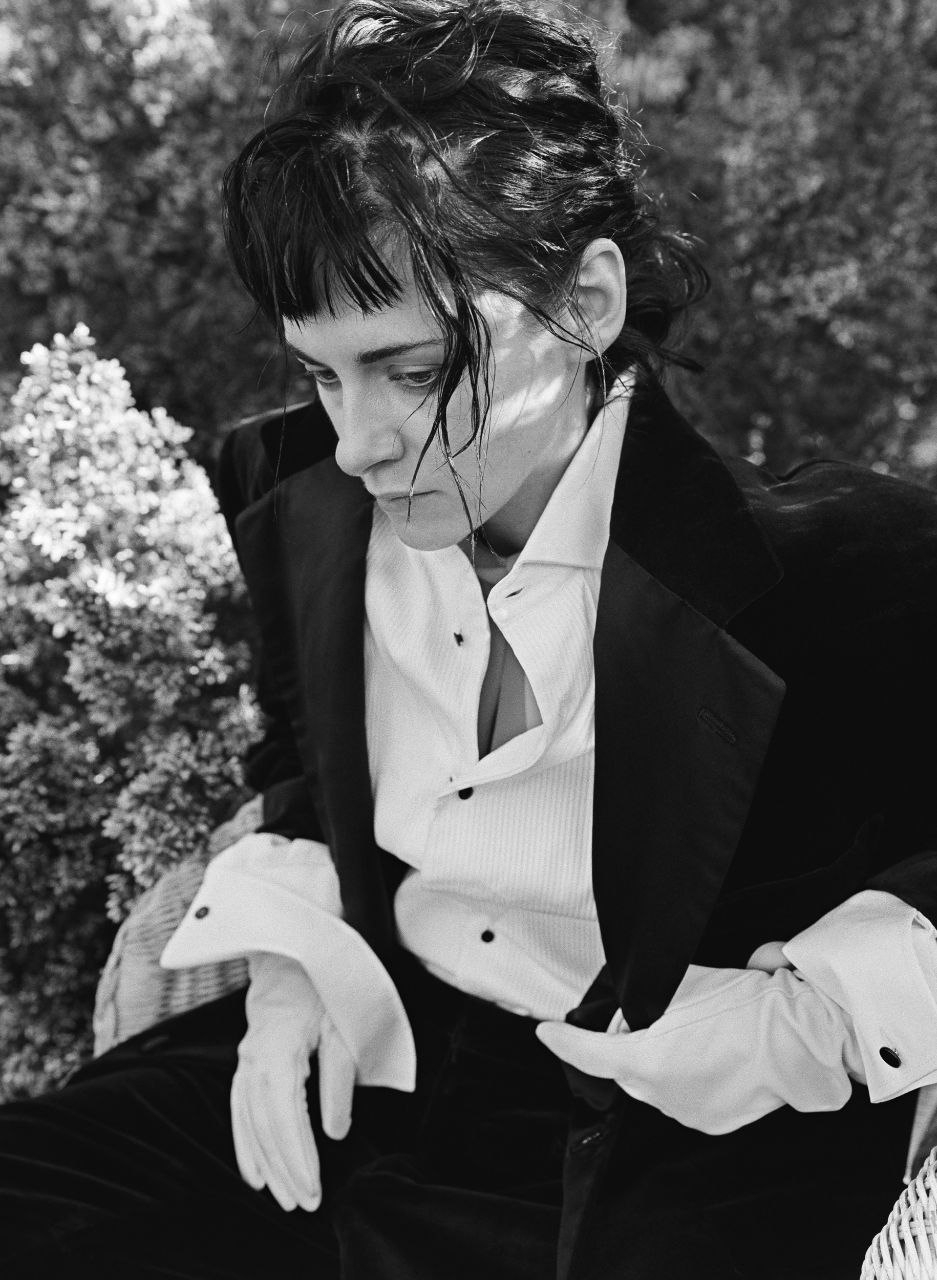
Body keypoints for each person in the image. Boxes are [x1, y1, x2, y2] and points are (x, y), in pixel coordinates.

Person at [2, 0, 937, 1276]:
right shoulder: (307, 504)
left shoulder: (842, 563)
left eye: (411, 368)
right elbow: (305, 763)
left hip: (662, 1144)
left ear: (585, 301)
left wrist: (817, 1017)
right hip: (370, 1055)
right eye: (320, 371)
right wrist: (288, 961)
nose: (357, 441)